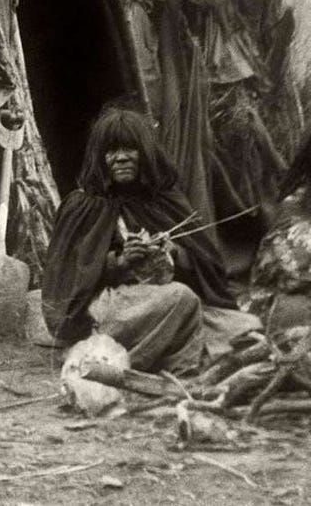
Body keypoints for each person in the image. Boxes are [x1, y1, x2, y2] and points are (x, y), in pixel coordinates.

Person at [42, 108, 259, 373]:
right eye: (111, 151)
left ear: (145, 154)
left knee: (246, 327)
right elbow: (66, 278)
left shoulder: (164, 201)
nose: (121, 158)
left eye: (130, 149)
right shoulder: (83, 205)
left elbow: (207, 267)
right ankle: (148, 363)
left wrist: (174, 253)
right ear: (100, 158)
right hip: (106, 310)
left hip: (164, 305)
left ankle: (169, 353)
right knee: (182, 298)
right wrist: (118, 262)